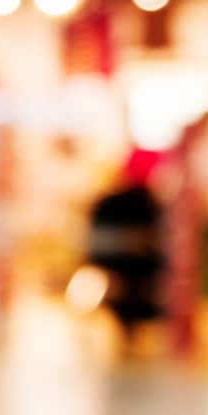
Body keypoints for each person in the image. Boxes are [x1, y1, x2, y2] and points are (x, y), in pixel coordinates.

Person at [86, 148, 166, 349]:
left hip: (111, 258)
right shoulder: (151, 203)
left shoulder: (108, 201)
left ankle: (127, 330)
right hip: (135, 261)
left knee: (127, 290)